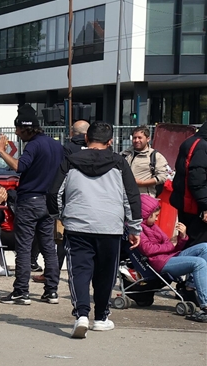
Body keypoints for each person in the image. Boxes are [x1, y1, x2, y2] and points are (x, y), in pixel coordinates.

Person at [48, 121, 142, 338]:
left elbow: (54, 193)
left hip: (78, 224)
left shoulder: (70, 161)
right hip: (110, 226)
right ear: (110, 142)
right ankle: (101, 317)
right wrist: (134, 227)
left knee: (79, 271)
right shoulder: (119, 162)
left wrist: (60, 215)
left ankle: (81, 314)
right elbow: (131, 196)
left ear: (86, 138)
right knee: (105, 273)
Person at [0, 104, 63, 305]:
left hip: (30, 200)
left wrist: (1, 151)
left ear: (26, 128)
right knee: (48, 247)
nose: (16, 133)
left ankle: (21, 291)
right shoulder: (55, 145)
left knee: (24, 248)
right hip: (49, 201)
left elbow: (19, 166)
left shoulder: (33, 145)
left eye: (18, 129)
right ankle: (51, 291)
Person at [138, 195, 207, 323]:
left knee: (205, 247)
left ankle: (190, 287)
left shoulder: (153, 227)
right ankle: (205, 305)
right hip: (160, 262)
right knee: (199, 263)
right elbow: (148, 249)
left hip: (170, 256)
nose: (157, 219)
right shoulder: (139, 229)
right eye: (155, 216)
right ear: (146, 215)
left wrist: (182, 237)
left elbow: (172, 247)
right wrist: (170, 245)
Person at [170, 122, 207, 247]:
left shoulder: (192, 142)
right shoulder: (201, 146)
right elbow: (197, 180)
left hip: (188, 203)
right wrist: (205, 206)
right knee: (198, 246)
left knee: (189, 242)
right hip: (195, 206)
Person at [122, 126, 170, 198]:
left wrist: (142, 183)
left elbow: (162, 177)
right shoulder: (125, 154)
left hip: (144, 197)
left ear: (148, 139)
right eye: (134, 138)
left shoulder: (155, 156)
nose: (136, 140)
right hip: (125, 196)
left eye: (140, 138)